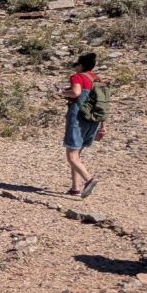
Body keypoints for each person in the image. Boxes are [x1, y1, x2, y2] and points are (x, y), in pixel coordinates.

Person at [61, 52, 103, 198]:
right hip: (93, 120)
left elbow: (76, 92)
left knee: (72, 155)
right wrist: (103, 127)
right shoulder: (97, 80)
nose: (75, 68)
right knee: (77, 153)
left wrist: (64, 93)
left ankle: (89, 179)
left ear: (81, 66)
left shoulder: (77, 77)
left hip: (78, 118)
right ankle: (75, 188)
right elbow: (103, 104)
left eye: (76, 65)